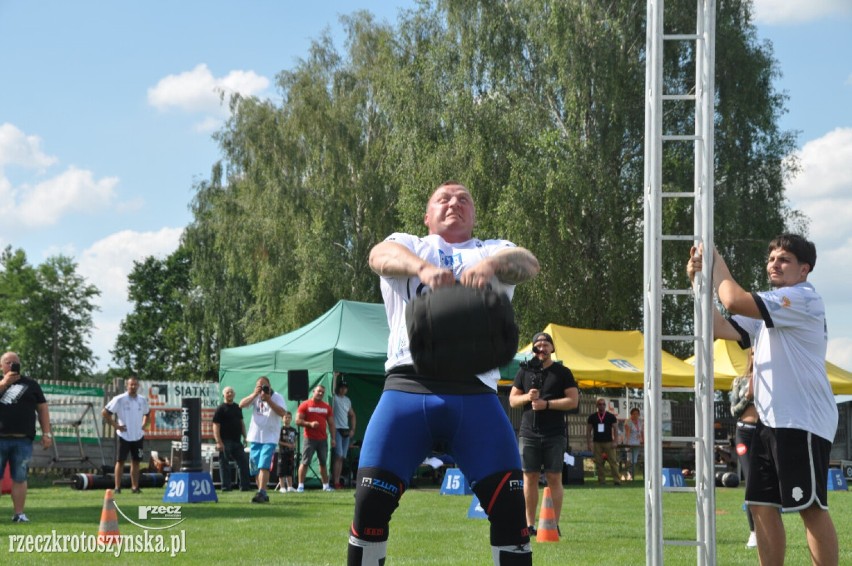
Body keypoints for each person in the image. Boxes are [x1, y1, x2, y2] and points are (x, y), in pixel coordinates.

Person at [348, 181, 540, 566]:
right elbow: (377, 256)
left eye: (464, 199)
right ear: (427, 215)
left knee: (510, 511)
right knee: (369, 505)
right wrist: (423, 269)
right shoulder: (410, 245)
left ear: (474, 214)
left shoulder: (493, 250)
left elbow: (529, 263)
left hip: (476, 395)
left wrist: (487, 268)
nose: (454, 203)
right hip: (407, 388)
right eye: (444, 199)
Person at [687, 234, 838, 565]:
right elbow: (717, 326)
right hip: (771, 422)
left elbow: (732, 299)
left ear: (804, 270)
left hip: (802, 421)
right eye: (771, 259)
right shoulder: (772, 304)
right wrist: (697, 282)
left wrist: (712, 254)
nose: (774, 264)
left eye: (784, 259)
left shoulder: (801, 298)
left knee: (809, 507)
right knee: (760, 506)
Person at [509, 331, 579, 536]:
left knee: (554, 478)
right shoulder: (524, 371)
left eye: (546, 344)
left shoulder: (563, 372)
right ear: (533, 348)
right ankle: (529, 525)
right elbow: (513, 400)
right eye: (538, 344)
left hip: (554, 434)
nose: (542, 348)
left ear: (552, 348)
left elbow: (573, 401)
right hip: (529, 433)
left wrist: (546, 404)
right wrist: (527, 398)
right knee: (529, 477)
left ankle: (552, 524)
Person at [0, 352, 52, 522]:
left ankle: (19, 514)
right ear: (1, 366)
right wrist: (4, 384)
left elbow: (43, 409)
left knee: (20, 477)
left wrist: (46, 433)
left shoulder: (31, 384)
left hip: (23, 439)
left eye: (16, 362)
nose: (12, 365)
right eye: (8, 362)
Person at [239, 376, 286, 503]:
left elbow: (283, 413)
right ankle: (262, 492)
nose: (262, 389)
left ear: (269, 385)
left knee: (264, 465)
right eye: (259, 386)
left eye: (264, 386)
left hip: (270, 437)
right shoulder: (255, 396)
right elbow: (241, 404)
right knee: (255, 468)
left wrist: (269, 400)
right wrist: (255, 393)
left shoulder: (277, 397)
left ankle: (261, 491)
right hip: (255, 436)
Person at [730, 349, 758, 549]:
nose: (758, 356)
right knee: (750, 481)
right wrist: (748, 396)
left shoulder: (775, 379)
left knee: (768, 484)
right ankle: (754, 532)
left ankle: (769, 531)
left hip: (765, 433)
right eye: (754, 353)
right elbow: (733, 411)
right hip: (744, 433)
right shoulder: (739, 381)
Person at [102, 375, 149, 494]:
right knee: (121, 461)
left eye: (135, 384)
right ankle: (117, 487)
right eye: (130, 384)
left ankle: (135, 487)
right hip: (124, 436)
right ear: (127, 386)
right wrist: (116, 425)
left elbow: (147, 413)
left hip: (138, 436)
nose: (133, 387)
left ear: (138, 386)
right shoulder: (120, 399)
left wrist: (143, 425)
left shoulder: (142, 400)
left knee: (136, 461)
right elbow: (105, 412)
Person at [295, 384, 335, 492]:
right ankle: (300, 486)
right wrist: (310, 424)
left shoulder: (326, 407)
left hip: (323, 439)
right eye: (319, 391)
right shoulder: (305, 404)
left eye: (322, 392)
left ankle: (326, 486)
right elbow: (297, 421)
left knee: (323, 463)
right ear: (314, 391)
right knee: (305, 462)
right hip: (309, 439)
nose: (320, 393)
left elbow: (331, 424)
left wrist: (333, 439)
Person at [212, 385, 251, 492]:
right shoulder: (220, 408)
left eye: (231, 392)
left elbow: (241, 423)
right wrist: (218, 442)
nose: (229, 394)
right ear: (223, 395)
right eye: (227, 392)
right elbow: (216, 425)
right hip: (224, 441)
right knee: (224, 464)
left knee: (243, 463)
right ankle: (226, 487)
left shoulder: (238, 407)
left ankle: (245, 487)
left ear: (234, 394)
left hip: (237, 441)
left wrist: (245, 436)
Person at [586, 398, 621, 486]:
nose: (602, 406)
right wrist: (589, 443)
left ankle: (617, 480)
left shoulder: (611, 416)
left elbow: (616, 429)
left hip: (609, 442)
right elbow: (588, 431)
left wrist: (615, 441)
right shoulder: (592, 417)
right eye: (600, 404)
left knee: (613, 461)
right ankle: (601, 481)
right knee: (599, 462)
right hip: (597, 442)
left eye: (603, 404)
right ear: (597, 406)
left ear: (605, 406)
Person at [332, 377, 356, 489]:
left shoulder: (348, 400)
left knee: (342, 457)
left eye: (345, 388)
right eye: (341, 387)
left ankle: (337, 481)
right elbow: (332, 390)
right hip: (337, 429)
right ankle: (335, 481)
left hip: (346, 430)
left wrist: (352, 430)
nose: (343, 390)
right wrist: (335, 377)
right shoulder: (334, 398)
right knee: (339, 455)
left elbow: (352, 415)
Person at [276, 410, 297, 493]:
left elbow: (294, 439)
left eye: (289, 418)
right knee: (281, 469)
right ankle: (282, 487)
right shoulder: (280, 429)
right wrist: (287, 444)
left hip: (290, 452)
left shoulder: (293, 430)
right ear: (282, 418)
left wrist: (294, 444)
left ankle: (290, 486)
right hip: (282, 452)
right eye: (285, 417)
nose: (287, 419)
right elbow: (278, 440)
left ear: (291, 419)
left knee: (290, 469)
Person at [623, 407, 643, 481]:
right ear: (631, 414)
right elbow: (627, 433)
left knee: (634, 460)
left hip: (637, 442)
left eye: (637, 414)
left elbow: (641, 432)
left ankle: (631, 474)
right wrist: (627, 443)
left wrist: (642, 440)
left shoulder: (640, 422)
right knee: (629, 459)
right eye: (634, 414)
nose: (635, 415)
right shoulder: (628, 422)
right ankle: (627, 474)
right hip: (629, 441)